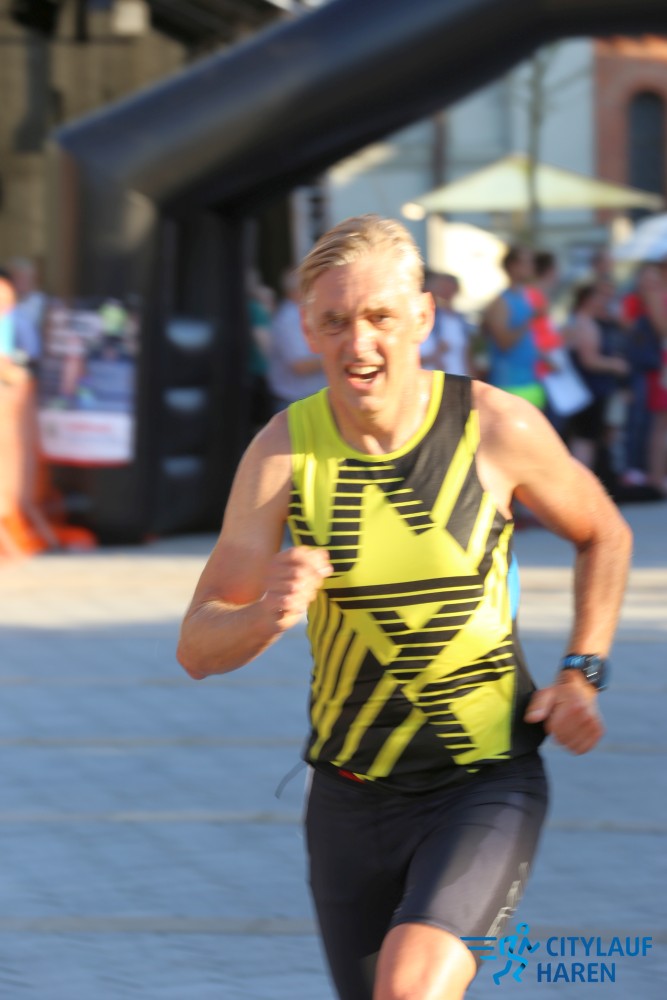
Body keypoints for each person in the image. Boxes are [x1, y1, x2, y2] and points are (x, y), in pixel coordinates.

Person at [177, 215, 632, 1000]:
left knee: (409, 989)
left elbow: (605, 533)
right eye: (334, 322)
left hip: (482, 782)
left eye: (380, 317)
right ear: (308, 331)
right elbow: (196, 646)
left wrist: (580, 671)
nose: (359, 343)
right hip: (346, 800)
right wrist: (262, 616)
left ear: (423, 316)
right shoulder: (282, 453)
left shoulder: (494, 428)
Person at [482, 246, 546, 410]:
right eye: (527, 262)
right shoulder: (501, 302)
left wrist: (543, 357)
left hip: (529, 383)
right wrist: (530, 319)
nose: (532, 266)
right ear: (512, 266)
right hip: (510, 386)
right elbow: (504, 342)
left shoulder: (525, 297)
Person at [267, 268, 326, 411]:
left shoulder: (302, 314)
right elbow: (300, 365)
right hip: (296, 403)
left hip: (306, 400)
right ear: (295, 292)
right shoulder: (289, 319)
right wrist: (335, 355)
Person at [420, 271, 472, 376]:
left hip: (458, 379)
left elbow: (466, 355)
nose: (447, 293)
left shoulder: (459, 319)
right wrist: (435, 356)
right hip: (432, 380)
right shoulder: (428, 318)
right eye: (443, 288)